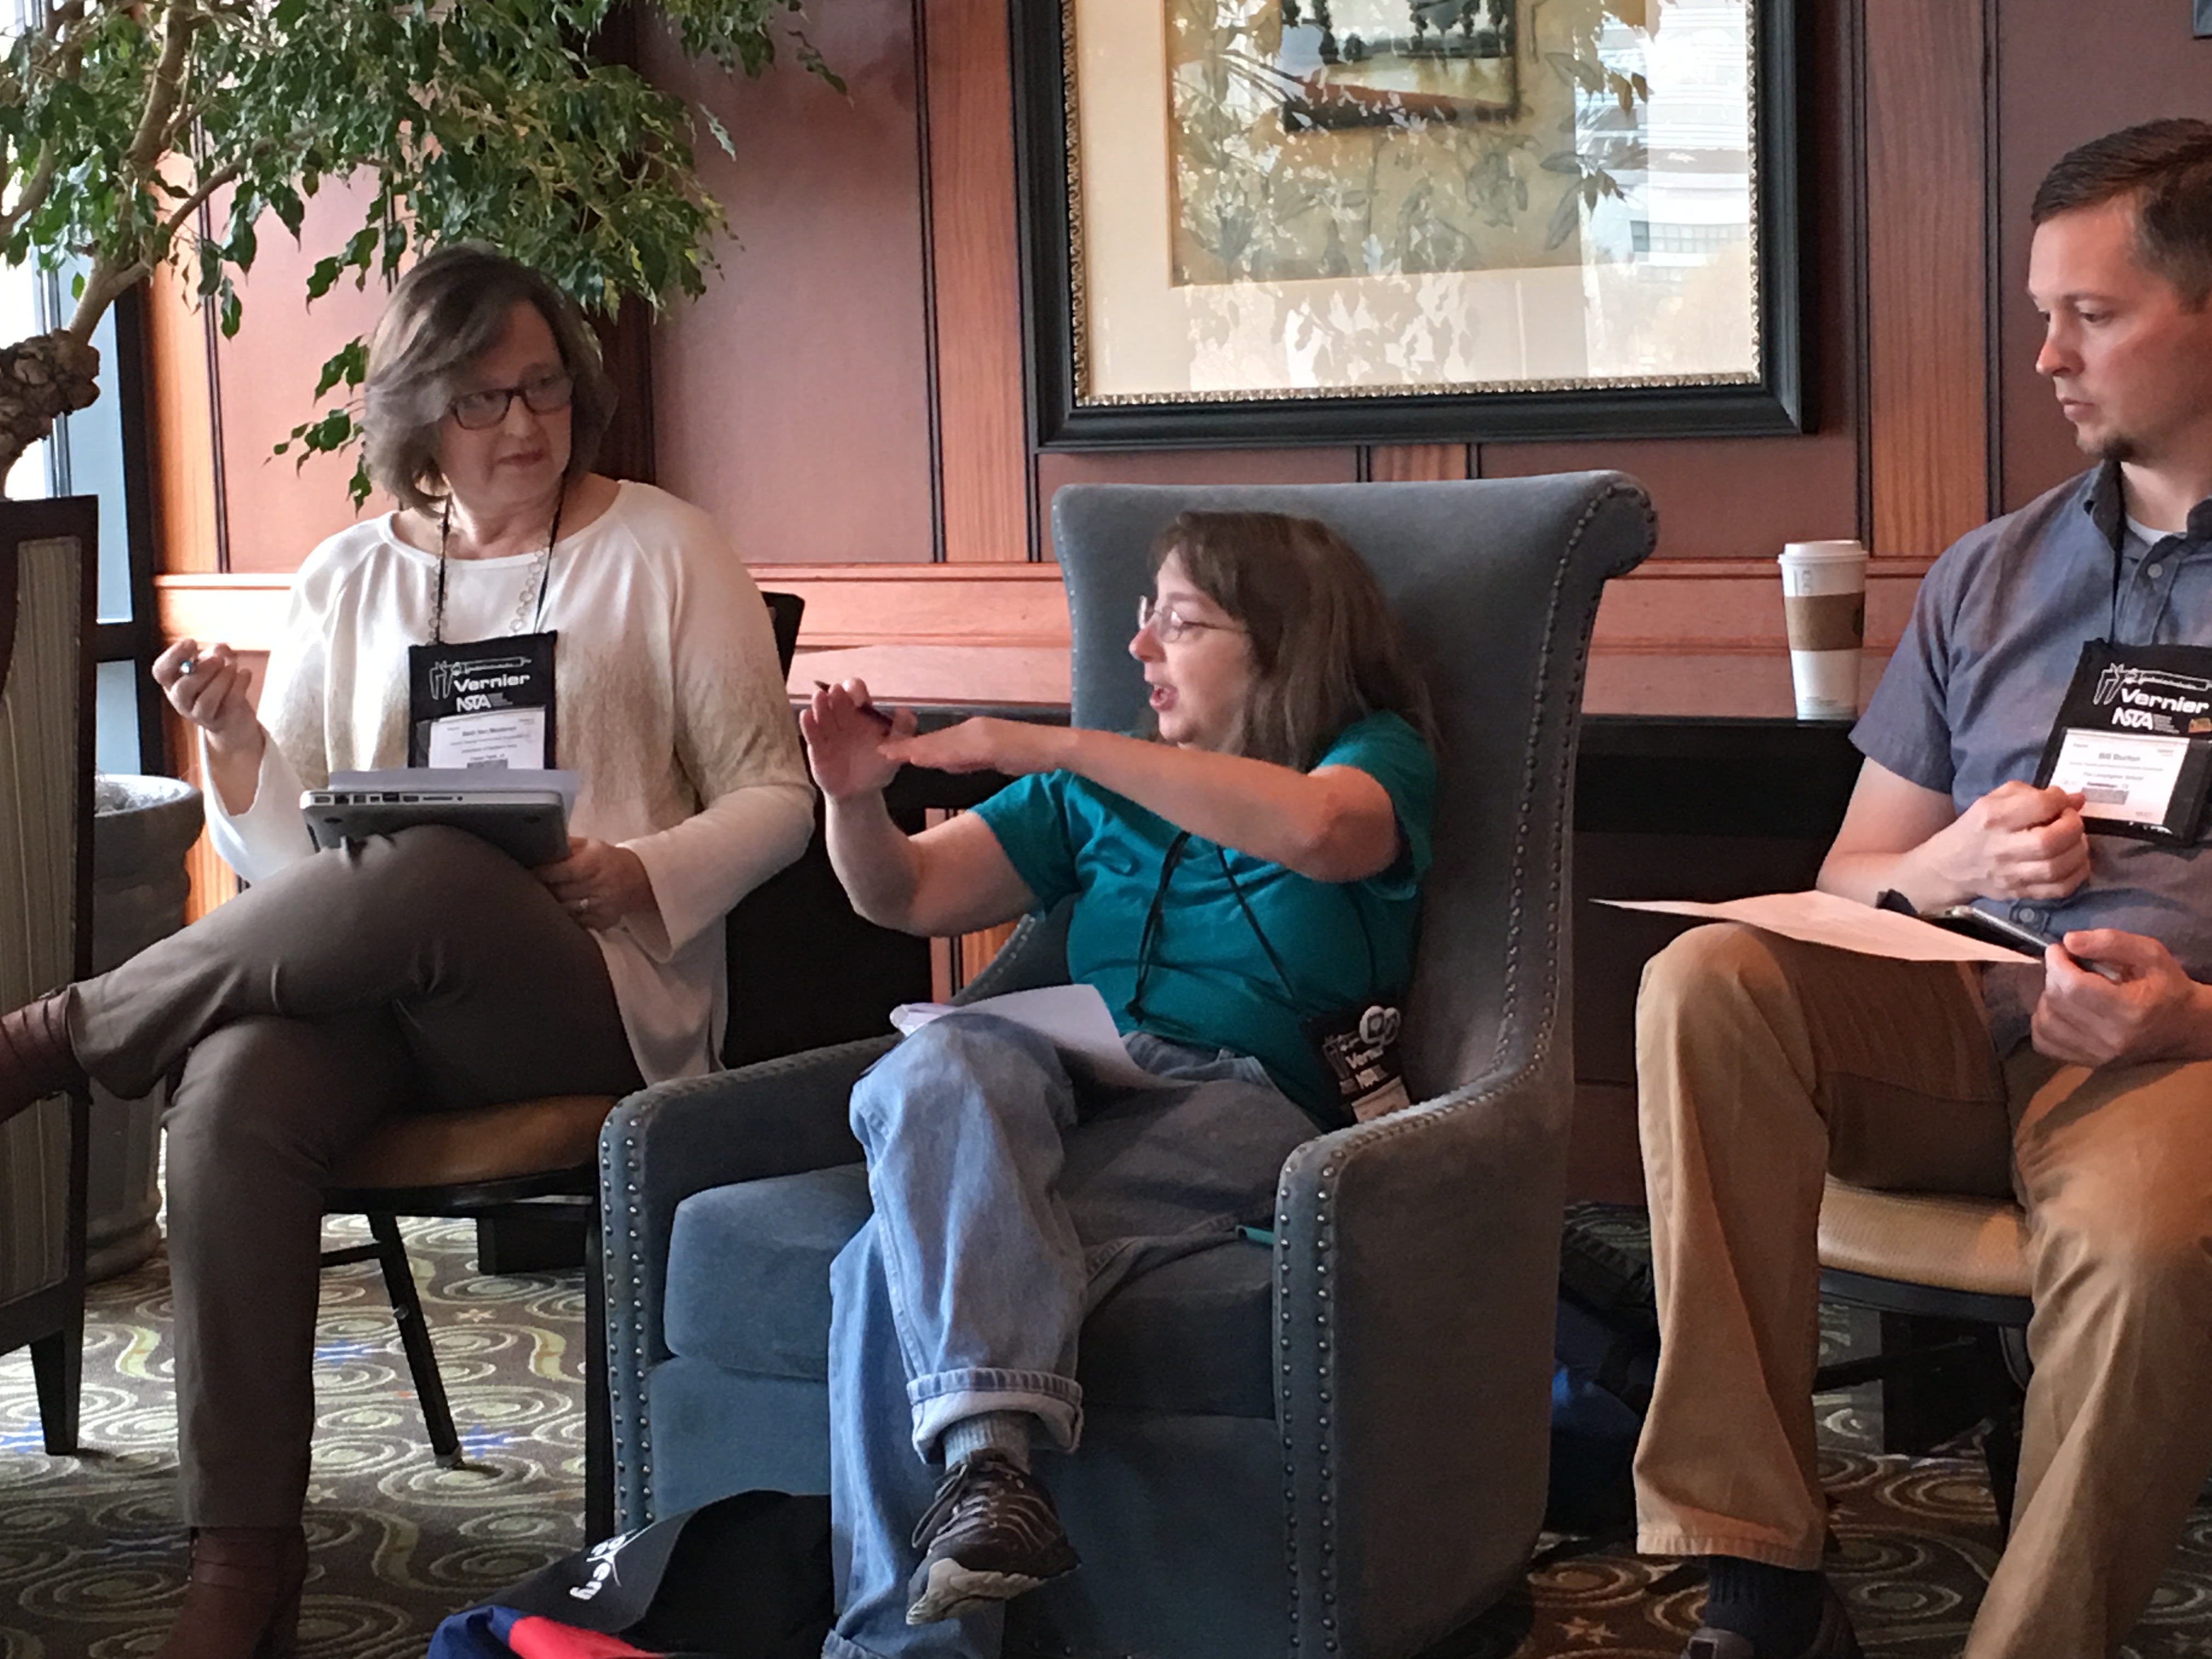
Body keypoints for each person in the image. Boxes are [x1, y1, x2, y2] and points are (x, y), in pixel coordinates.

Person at [0, 244, 814, 1658]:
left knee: (435, 864)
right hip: (393, 990)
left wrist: (639, 872)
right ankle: (241, 1560)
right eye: (487, 398)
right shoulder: (348, 578)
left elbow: (778, 799)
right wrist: (240, 750)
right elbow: (302, 875)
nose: (525, 425)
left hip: (589, 985)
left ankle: (58, 1037)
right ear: (419, 413)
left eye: (545, 387)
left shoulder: (664, 550)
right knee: (238, 1083)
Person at [1630, 119, 2212, 1659]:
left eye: (2090, 315)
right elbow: (1851, 879)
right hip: (1955, 1022)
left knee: (2150, 1243)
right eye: (2043, 311)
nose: (2047, 356)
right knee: (1706, 982)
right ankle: (1760, 1575)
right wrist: (1955, 863)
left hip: (2176, 1050)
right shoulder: (1992, 576)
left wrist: (2187, 1017)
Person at [797, 510, 1436, 1658]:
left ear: (1283, 647)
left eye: (1181, 623)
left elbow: (1324, 835)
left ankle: (901, 1645)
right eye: (1141, 620)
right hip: (1068, 1073)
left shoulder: (1367, 753)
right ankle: (991, 1470)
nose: (1140, 650)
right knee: (938, 1054)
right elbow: (907, 896)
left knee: (880, 1264)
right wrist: (852, 798)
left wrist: (1062, 744)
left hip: (1243, 1104)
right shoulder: (1091, 798)